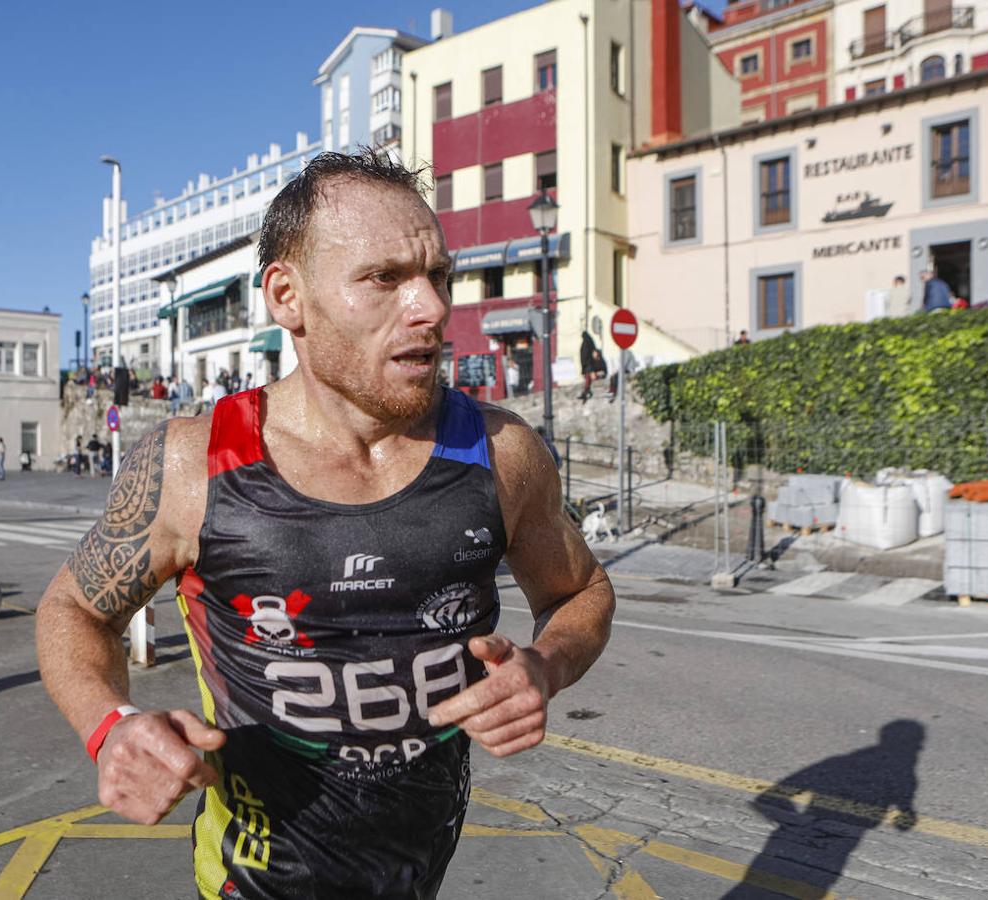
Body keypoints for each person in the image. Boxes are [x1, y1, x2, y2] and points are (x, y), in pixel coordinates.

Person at [35, 150, 614, 900]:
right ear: (288, 296)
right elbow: (73, 609)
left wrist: (547, 665)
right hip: (253, 884)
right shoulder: (197, 462)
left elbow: (582, 592)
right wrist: (109, 724)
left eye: (438, 276)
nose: (432, 309)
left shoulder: (500, 454)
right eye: (385, 278)